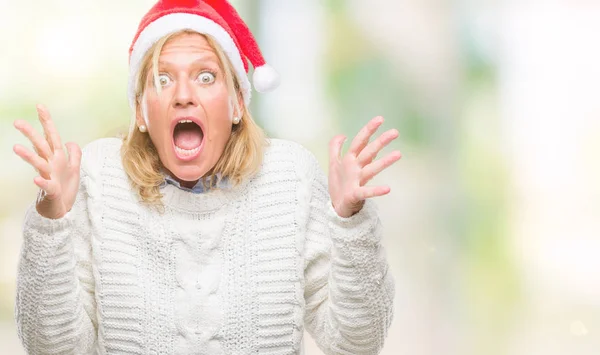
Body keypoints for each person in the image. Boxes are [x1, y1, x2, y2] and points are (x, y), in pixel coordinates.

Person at [12, 0, 401, 354]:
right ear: (142, 111)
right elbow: (53, 349)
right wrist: (51, 221)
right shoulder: (98, 177)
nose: (183, 94)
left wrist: (351, 223)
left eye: (206, 77)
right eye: (162, 80)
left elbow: (357, 343)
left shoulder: (290, 177)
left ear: (236, 102)